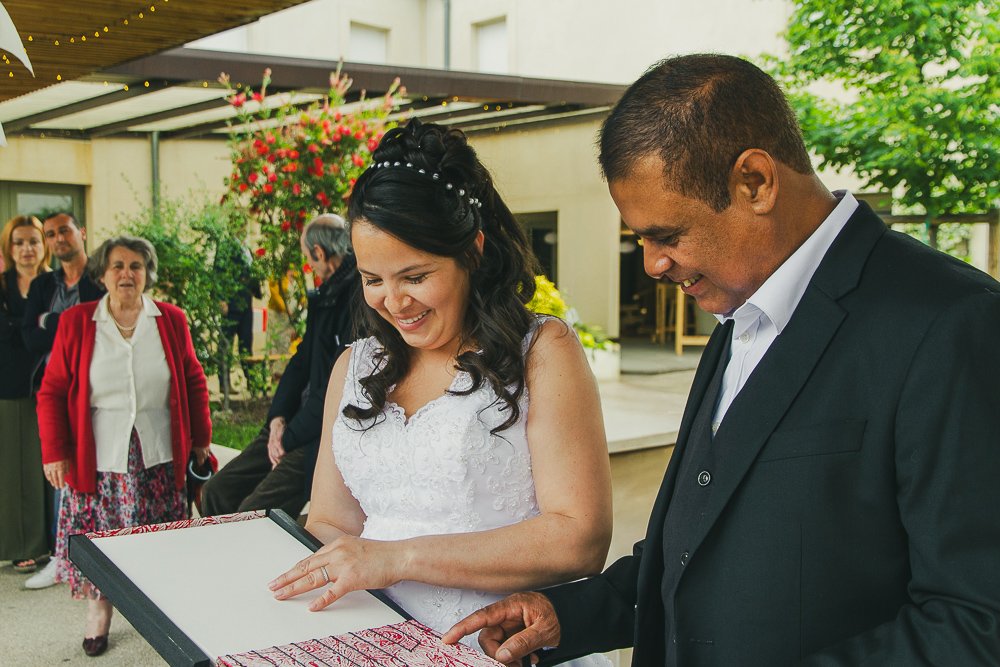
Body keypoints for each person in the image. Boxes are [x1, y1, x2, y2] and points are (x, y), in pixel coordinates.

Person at [444, 54, 1000, 666]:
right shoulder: (740, 312)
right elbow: (698, 551)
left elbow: (975, 622)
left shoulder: (954, 323)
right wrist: (570, 615)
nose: (653, 264)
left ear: (756, 182)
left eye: (668, 235)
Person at [265, 120, 614, 665]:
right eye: (372, 279)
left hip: (493, 644)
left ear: (472, 251)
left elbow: (580, 540)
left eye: (414, 275)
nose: (392, 301)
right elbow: (331, 523)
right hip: (376, 644)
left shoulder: (543, 352)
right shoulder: (352, 367)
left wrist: (396, 559)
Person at [37, 235, 211, 657]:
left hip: (158, 453)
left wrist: (201, 440)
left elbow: (193, 379)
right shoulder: (78, 321)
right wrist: (54, 450)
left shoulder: (170, 319)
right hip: (97, 456)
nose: (126, 274)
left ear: (147, 274)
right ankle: (100, 612)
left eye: (136, 266)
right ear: (102, 274)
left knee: (160, 540)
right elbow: (53, 391)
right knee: (102, 540)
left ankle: (166, 614)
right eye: (117, 265)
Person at [201, 214, 361, 518]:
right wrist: (277, 418)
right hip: (292, 423)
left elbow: (333, 390)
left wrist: (286, 439)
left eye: (308, 259)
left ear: (319, 253)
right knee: (216, 491)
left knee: (251, 517)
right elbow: (301, 361)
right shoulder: (325, 294)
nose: (310, 267)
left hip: (319, 435)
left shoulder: (356, 298)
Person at [21, 212, 103, 589]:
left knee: (93, 473)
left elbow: (100, 330)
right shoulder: (42, 284)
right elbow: (30, 338)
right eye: (51, 234)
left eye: (64, 231)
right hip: (53, 387)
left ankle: (98, 555)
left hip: (93, 389)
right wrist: (65, 324)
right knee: (60, 468)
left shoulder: (99, 278)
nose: (57, 239)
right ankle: (61, 556)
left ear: (80, 232)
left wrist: (51, 322)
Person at [0, 216, 52, 573]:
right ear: (9, 247)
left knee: (47, 470)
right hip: (10, 385)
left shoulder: (54, 284)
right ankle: (20, 546)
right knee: (15, 469)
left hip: (52, 386)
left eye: (33, 241)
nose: (26, 249)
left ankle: (50, 544)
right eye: (19, 242)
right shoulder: (1, 285)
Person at [215, 237, 263, 394]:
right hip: (231, 304)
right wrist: (221, 298)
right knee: (225, 345)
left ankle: (253, 382)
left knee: (246, 345)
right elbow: (219, 272)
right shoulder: (226, 247)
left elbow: (251, 273)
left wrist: (257, 291)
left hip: (246, 303)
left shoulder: (247, 249)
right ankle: (224, 383)